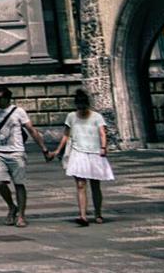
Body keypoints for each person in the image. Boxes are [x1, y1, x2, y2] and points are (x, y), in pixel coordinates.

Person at [0, 85, 53, 227]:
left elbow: (32, 130)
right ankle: (11, 206)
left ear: (7, 98)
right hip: (0, 152)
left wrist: (44, 149)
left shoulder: (18, 111)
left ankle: (21, 215)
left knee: (19, 184)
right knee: (0, 182)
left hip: (17, 152)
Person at [53, 88, 114, 225]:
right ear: (76, 104)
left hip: (94, 152)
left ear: (87, 104)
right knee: (80, 185)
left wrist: (103, 147)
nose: (81, 107)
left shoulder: (96, 117)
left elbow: (102, 133)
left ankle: (98, 213)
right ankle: (83, 216)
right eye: (79, 105)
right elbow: (66, 135)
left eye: (83, 104)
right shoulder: (71, 117)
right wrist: (58, 150)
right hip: (78, 152)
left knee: (95, 184)